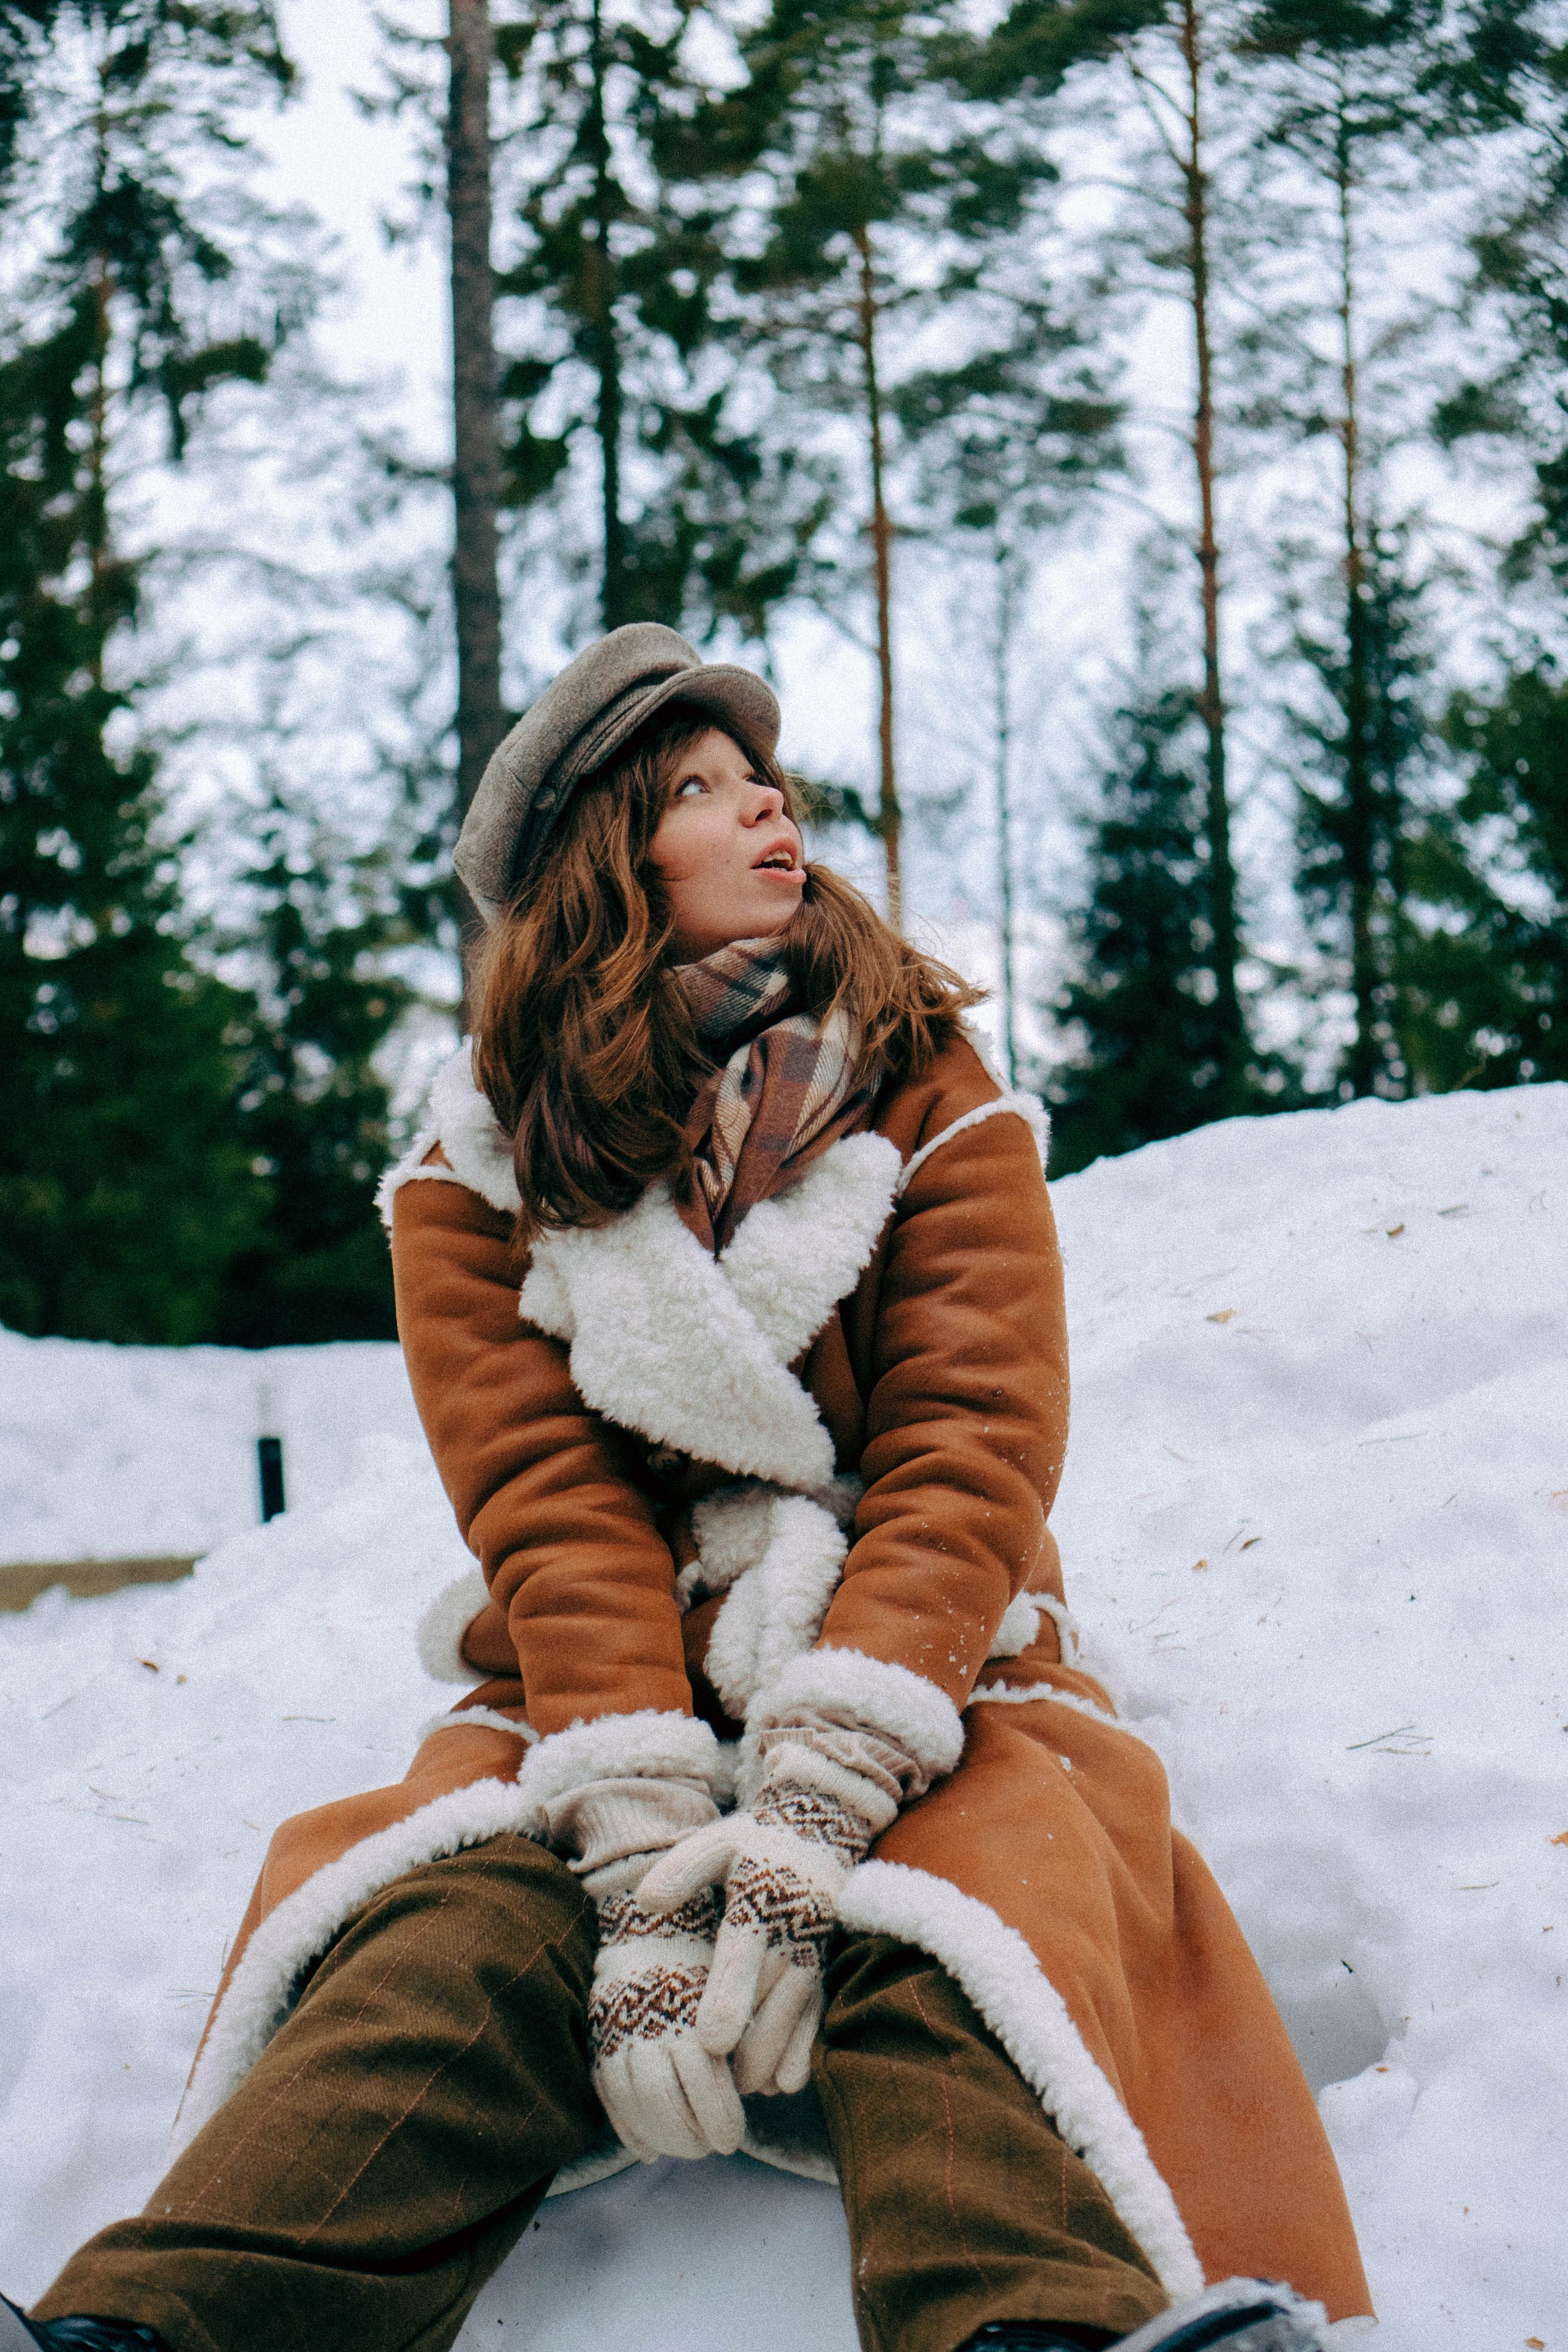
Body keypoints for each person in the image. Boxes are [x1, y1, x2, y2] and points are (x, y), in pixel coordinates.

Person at [6, 627, 1372, 2352]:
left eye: (766, 780)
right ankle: (140, 2339)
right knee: (446, 1947)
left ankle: (1051, 2332)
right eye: (702, 790)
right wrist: (647, 1848)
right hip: (602, 1689)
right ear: (604, 857)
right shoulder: (474, 1169)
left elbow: (973, 1445)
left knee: (969, 1914)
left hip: (911, 1644)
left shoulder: (928, 1087)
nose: (768, 806)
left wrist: (821, 1791)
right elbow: (548, 1510)